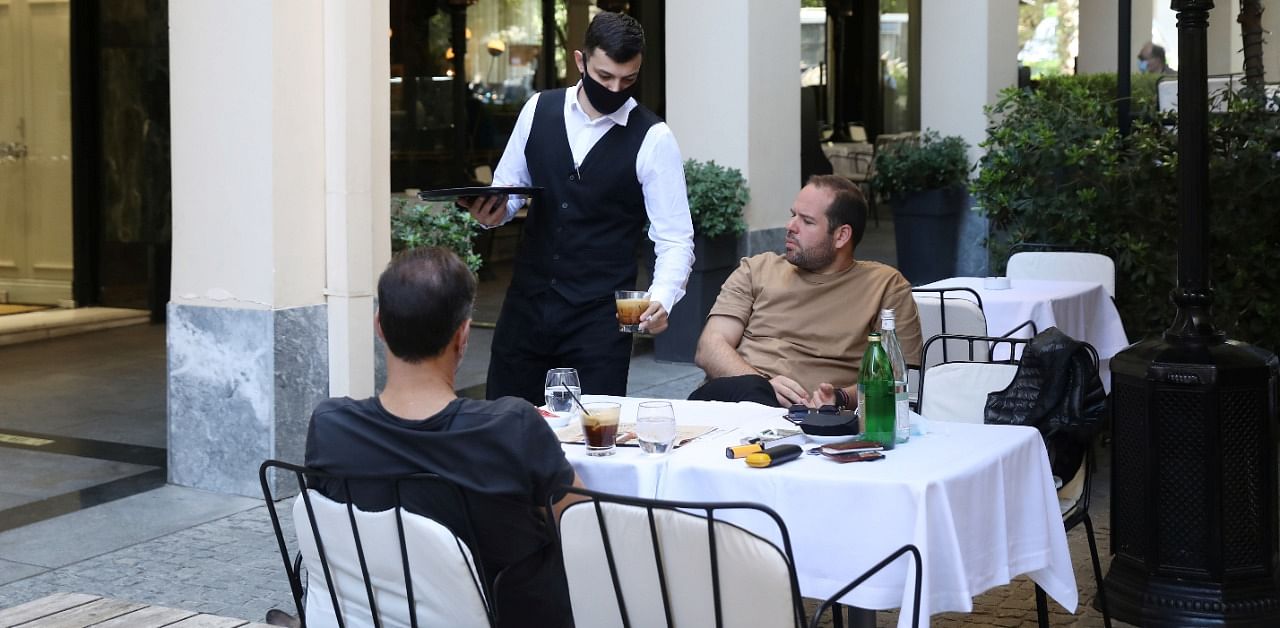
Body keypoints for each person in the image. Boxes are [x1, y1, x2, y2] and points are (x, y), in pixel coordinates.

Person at [303, 247, 584, 628]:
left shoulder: (331, 427)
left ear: (379, 326)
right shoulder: (510, 428)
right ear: (463, 335)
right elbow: (586, 527)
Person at [462, 11, 694, 404]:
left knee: (593, 442)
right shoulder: (538, 109)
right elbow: (510, 192)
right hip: (526, 309)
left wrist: (663, 296)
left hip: (599, 321)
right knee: (506, 428)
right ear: (580, 61)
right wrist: (493, 214)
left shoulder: (654, 138)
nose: (616, 88)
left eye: (628, 79)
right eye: (605, 77)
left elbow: (674, 238)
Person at [690, 175, 922, 409]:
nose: (790, 227)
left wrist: (840, 398)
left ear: (841, 236)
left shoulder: (884, 286)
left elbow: (895, 377)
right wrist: (765, 384)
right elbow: (709, 347)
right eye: (793, 215)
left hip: (813, 418)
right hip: (736, 399)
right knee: (750, 391)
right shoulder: (756, 269)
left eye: (807, 222)